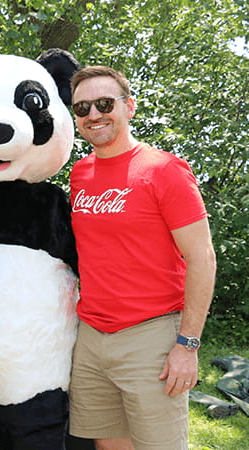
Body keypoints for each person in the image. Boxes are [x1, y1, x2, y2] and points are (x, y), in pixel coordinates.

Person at [67, 65, 217, 449]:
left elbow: (202, 258)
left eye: (104, 103)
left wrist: (187, 346)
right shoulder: (80, 173)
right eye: (82, 108)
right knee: (109, 444)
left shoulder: (165, 170)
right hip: (92, 336)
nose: (93, 114)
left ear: (129, 107)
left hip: (152, 336)